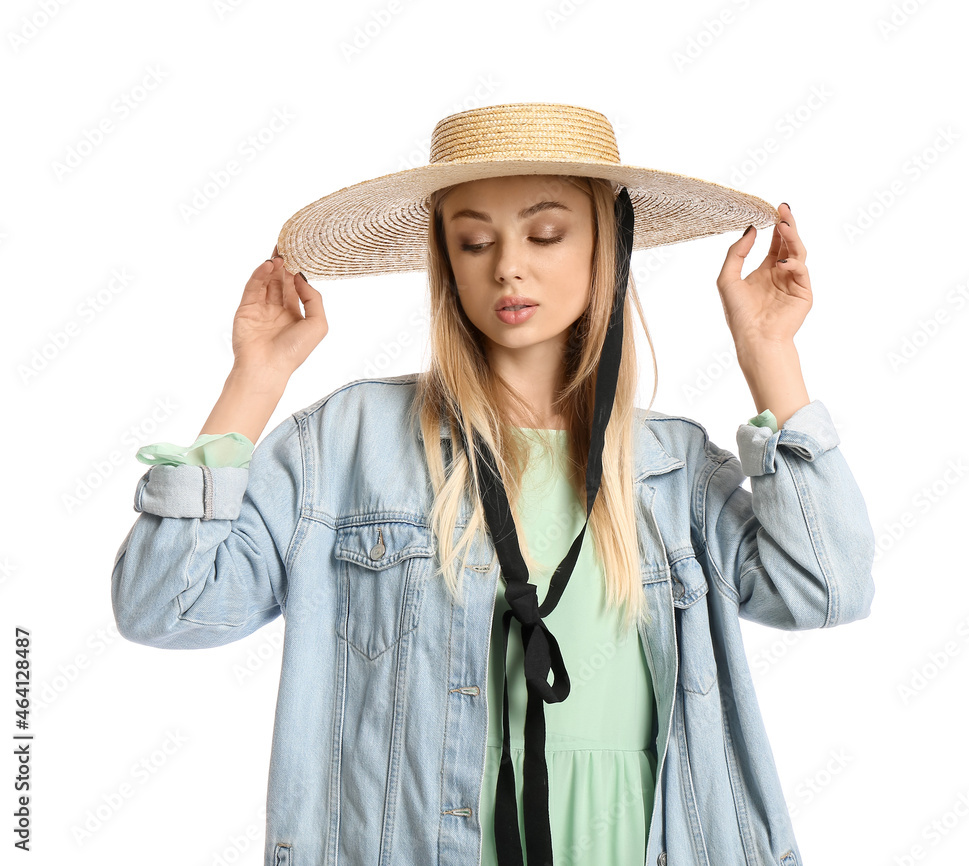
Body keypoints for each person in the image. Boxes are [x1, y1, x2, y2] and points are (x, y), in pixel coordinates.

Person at [111, 103, 876, 866]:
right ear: (447, 261)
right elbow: (164, 607)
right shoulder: (348, 444)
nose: (508, 265)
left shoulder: (672, 471)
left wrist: (768, 354)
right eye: (474, 241)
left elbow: (826, 590)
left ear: (606, 245)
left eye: (546, 234)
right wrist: (254, 382)